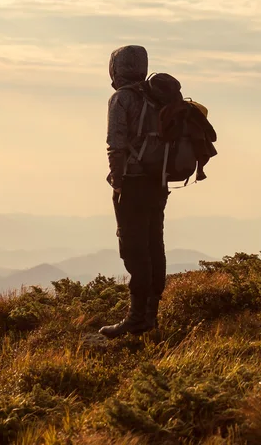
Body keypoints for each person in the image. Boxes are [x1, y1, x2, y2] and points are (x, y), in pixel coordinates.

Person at [99, 45, 173, 339]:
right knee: (155, 244)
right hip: (159, 182)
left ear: (116, 69)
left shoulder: (121, 99)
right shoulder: (156, 98)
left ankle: (137, 318)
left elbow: (115, 144)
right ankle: (151, 314)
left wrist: (118, 184)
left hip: (133, 182)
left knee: (133, 248)